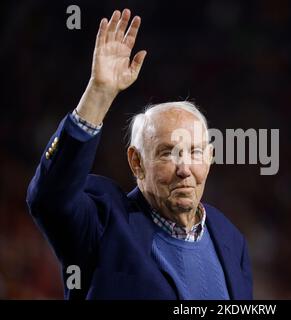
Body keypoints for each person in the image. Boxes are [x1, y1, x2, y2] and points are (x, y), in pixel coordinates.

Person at [26, 8, 253, 300]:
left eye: (194, 152)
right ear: (137, 162)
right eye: (167, 153)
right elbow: (49, 199)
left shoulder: (231, 240)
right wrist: (99, 93)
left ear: (210, 158)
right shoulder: (103, 222)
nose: (184, 168)